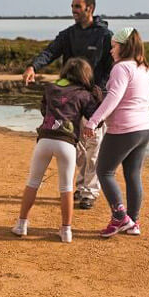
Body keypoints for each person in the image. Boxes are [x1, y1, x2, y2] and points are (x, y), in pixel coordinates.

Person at [23, 0, 113, 211]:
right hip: (71, 98)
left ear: (89, 8)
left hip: (95, 98)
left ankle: (89, 192)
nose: (73, 10)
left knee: (94, 146)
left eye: (77, 7)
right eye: (72, 6)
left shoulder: (104, 35)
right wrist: (33, 66)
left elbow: (114, 65)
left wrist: (104, 93)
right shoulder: (68, 34)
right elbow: (50, 51)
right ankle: (80, 188)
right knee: (77, 146)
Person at [12, 58, 102, 243]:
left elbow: (44, 110)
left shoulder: (51, 88)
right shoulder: (84, 94)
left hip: (44, 140)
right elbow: (96, 120)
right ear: (85, 75)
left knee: (33, 183)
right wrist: (97, 96)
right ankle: (66, 231)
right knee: (66, 188)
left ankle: (21, 224)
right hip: (67, 144)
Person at [83, 27, 149, 237]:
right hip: (144, 128)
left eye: (113, 46)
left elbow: (113, 97)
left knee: (104, 171)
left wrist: (93, 121)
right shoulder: (145, 69)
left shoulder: (121, 68)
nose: (111, 51)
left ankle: (120, 217)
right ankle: (133, 221)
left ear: (124, 46)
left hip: (124, 129)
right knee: (133, 175)